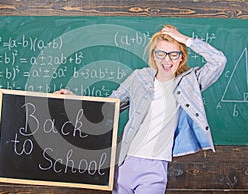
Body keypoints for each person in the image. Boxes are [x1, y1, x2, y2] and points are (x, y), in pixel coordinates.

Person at [54, 25, 227, 194]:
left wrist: (184, 39)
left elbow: (219, 61)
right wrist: (73, 98)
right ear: (154, 55)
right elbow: (108, 106)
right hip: (124, 163)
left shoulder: (190, 82)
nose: (167, 60)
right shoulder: (139, 77)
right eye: (161, 54)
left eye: (173, 54)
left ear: (181, 58)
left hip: (155, 167)